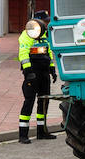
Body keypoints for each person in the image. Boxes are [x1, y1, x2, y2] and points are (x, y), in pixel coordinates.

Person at [17, 9, 57, 143]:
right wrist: (28, 72)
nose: (47, 23)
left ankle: (42, 131)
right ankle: (23, 135)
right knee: (29, 102)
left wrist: (52, 68)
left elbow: (48, 51)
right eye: (45, 21)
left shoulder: (44, 35)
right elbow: (23, 53)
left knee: (44, 101)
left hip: (44, 73)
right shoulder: (26, 35)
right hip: (32, 73)